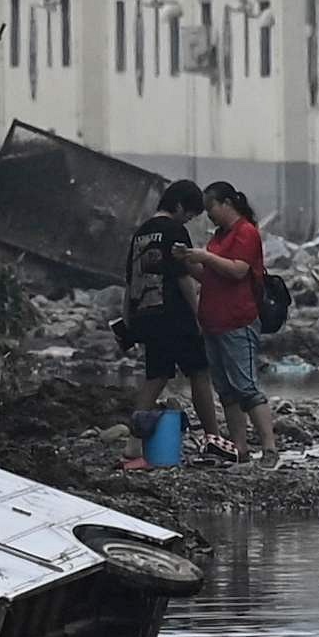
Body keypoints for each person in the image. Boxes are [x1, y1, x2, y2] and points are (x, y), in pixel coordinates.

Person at [118, 179, 218, 464]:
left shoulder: (141, 233)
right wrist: (200, 315)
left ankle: (133, 445)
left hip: (147, 315)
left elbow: (130, 281)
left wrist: (128, 321)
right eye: (189, 213)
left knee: (156, 377)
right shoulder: (175, 231)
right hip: (175, 315)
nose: (189, 219)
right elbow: (183, 276)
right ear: (177, 206)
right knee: (199, 372)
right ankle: (213, 440)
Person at [194, 180, 274, 457]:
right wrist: (189, 262)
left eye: (211, 208)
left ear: (227, 204)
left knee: (246, 388)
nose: (209, 214)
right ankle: (240, 449)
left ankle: (269, 448)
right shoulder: (218, 237)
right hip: (213, 321)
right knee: (226, 390)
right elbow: (210, 276)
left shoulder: (246, 233)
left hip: (238, 319)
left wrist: (204, 256)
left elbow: (238, 270)